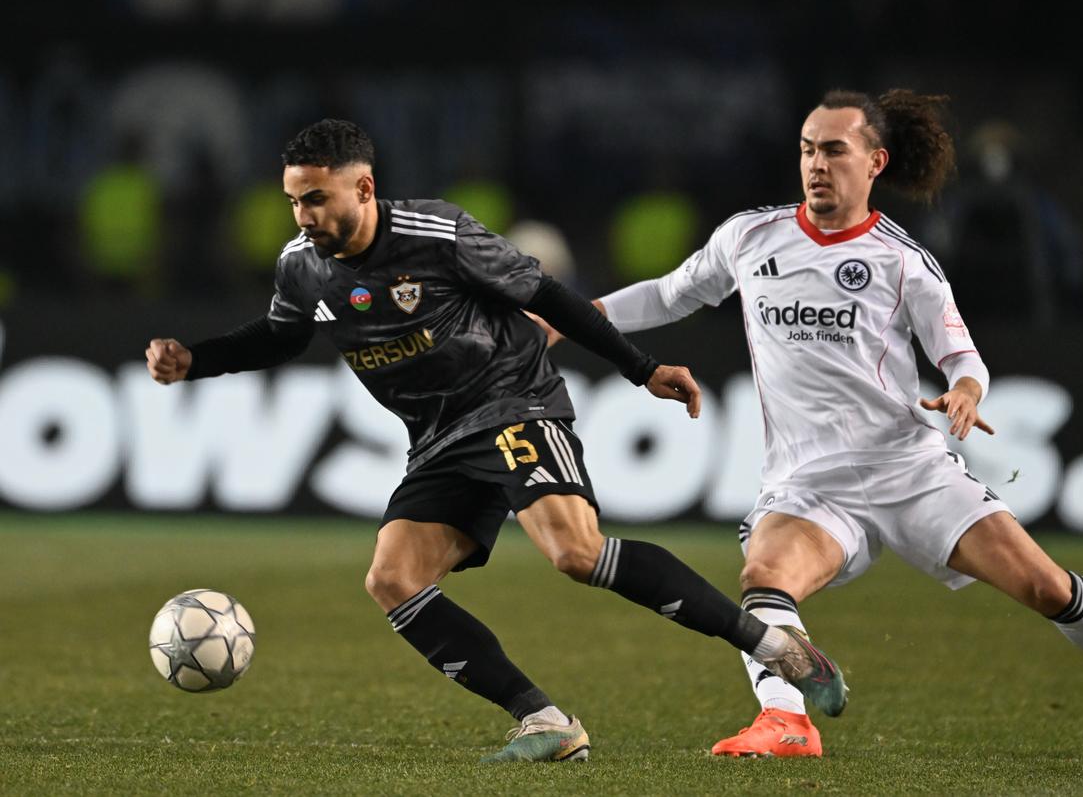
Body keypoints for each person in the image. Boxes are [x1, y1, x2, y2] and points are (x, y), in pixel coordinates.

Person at [540, 91, 1083, 762]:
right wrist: (568, 319)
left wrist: (966, 391)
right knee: (764, 576)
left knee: (1048, 589)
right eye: (807, 149)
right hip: (808, 484)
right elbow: (668, 294)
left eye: (835, 151)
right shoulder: (751, 237)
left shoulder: (902, 262)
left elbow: (960, 354)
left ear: (875, 162)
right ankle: (787, 718)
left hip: (908, 471)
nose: (817, 165)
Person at [144, 119, 847, 763]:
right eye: (296, 201)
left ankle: (775, 647)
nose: (305, 217)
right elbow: (282, 333)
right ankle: (544, 719)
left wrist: (643, 369)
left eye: (318, 199)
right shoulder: (301, 263)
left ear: (364, 186)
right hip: (437, 436)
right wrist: (196, 360)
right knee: (392, 578)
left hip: (512, 400)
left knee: (574, 552)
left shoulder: (438, 233)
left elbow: (548, 294)